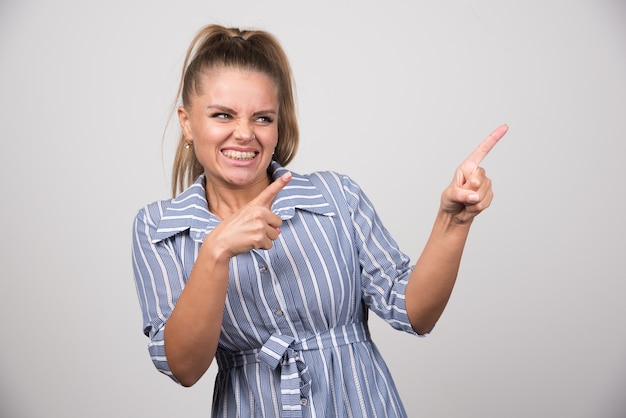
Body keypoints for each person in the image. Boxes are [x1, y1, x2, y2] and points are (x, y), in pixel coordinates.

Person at [131, 23, 508, 417]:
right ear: (188, 122)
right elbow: (185, 368)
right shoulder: (160, 230)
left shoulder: (335, 198)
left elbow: (414, 312)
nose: (244, 134)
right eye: (223, 115)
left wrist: (454, 222)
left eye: (262, 118)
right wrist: (216, 250)